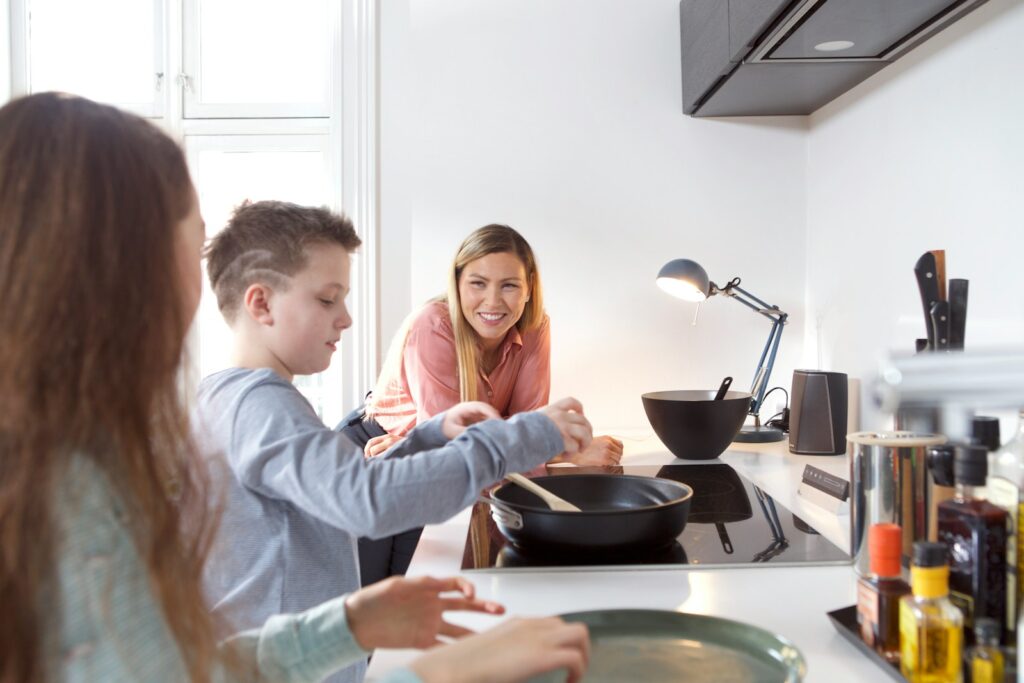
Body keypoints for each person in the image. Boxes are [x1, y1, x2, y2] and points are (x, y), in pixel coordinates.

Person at [0, 92, 589, 683]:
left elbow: (190, 665)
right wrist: (440, 676)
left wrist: (352, 626)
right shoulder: (91, 478)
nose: (197, 274)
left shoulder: (143, 430)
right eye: (189, 237)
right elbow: (367, 498)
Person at [197, 200, 594, 683]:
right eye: (327, 300)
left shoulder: (237, 399)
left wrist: (427, 438)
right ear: (260, 304)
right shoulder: (262, 409)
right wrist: (525, 436)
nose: (344, 318)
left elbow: (331, 491)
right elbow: (366, 501)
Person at [347, 224, 624, 585]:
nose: (493, 302)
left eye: (509, 285)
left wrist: (537, 439)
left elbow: (522, 430)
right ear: (457, 284)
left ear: (529, 290)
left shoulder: (536, 326)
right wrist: (563, 449)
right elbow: (462, 451)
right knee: (378, 600)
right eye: (478, 283)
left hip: (430, 459)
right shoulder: (433, 325)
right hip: (379, 457)